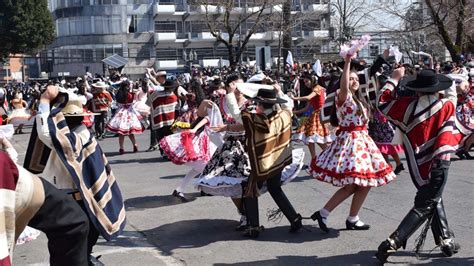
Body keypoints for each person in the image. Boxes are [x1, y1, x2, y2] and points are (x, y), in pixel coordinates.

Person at [375, 69, 473, 262]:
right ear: (437, 89)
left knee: (432, 197)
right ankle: (392, 242)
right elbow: (453, 92)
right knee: (426, 202)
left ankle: (446, 239)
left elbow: (381, 102)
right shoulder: (446, 105)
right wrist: (453, 80)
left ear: (417, 89)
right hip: (440, 160)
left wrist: (393, 79)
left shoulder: (406, 107)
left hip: (418, 162)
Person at [28, 85, 127, 265]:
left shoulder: (78, 134)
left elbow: (46, 134)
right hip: (67, 202)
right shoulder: (69, 133)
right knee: (67, 254)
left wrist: (44, 101)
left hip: (77, 204)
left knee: (72, 255)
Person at [309, 54, 396, 233]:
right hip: (351, 143)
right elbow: (344, 86)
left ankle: (347, 217)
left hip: (363, 141)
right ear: (344, 81)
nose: (355, 81)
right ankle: (329, 214)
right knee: (354, 184)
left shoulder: (360, 98)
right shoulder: (344, 97)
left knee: (366, 182)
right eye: (351, 79)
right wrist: (347, 62)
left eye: (356, 79)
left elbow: (369, 77)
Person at [1, 133, 89, 266]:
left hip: (69, 188)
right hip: (60, 184)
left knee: (73, 219)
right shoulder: (80, 133)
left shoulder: (81, 132)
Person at [241, 86, 302, 238]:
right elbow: (288, 104)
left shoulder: (257, 120)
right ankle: (294, 219)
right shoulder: (284, 115)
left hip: (264, 163)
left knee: (250, 191)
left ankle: (253, 227)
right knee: (275, 189)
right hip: (278, 160)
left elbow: (240, 117)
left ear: (260, 105)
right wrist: (278, 90)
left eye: (258, 104)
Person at [291, 73, 335, 167]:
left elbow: (308, 98)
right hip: (316, 115)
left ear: (312, 79)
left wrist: (294, 98)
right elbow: (306, 108)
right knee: (310, 138)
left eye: (307, 81)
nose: (306, 83)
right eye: (304, 82)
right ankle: (314, 159)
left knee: (317, 138)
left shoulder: (318, 88)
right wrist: (293, 113)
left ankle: (330, 157)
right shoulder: (313, 90)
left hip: (321, 115)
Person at [106, 80, 145, 154]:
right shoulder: (131, 94)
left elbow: (116, 104)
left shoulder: (118, 95)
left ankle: (121, 148)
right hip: (130, 113)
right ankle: (135, 145)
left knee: (121, 132)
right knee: (130, 132)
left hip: (121, 113)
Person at [147, 79, 179, 159]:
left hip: (159, 120)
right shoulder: (173, 96)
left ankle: (163, 152)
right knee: (170, 137)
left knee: (160, 137)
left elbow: (148, 103)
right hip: (170, 120)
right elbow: (177, 108)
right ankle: (170, 153)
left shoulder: (155, 94)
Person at [146, 69, 167, 152]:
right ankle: (155, 144)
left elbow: (156, 85)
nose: (156, 79)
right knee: (155, 128)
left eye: (158, 77)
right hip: (157, 110)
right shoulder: (162, 86)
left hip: (162, 110)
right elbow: (157, 83)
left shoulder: (163, 87)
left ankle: (157, 144)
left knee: (158, 129)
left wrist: (150, 75)